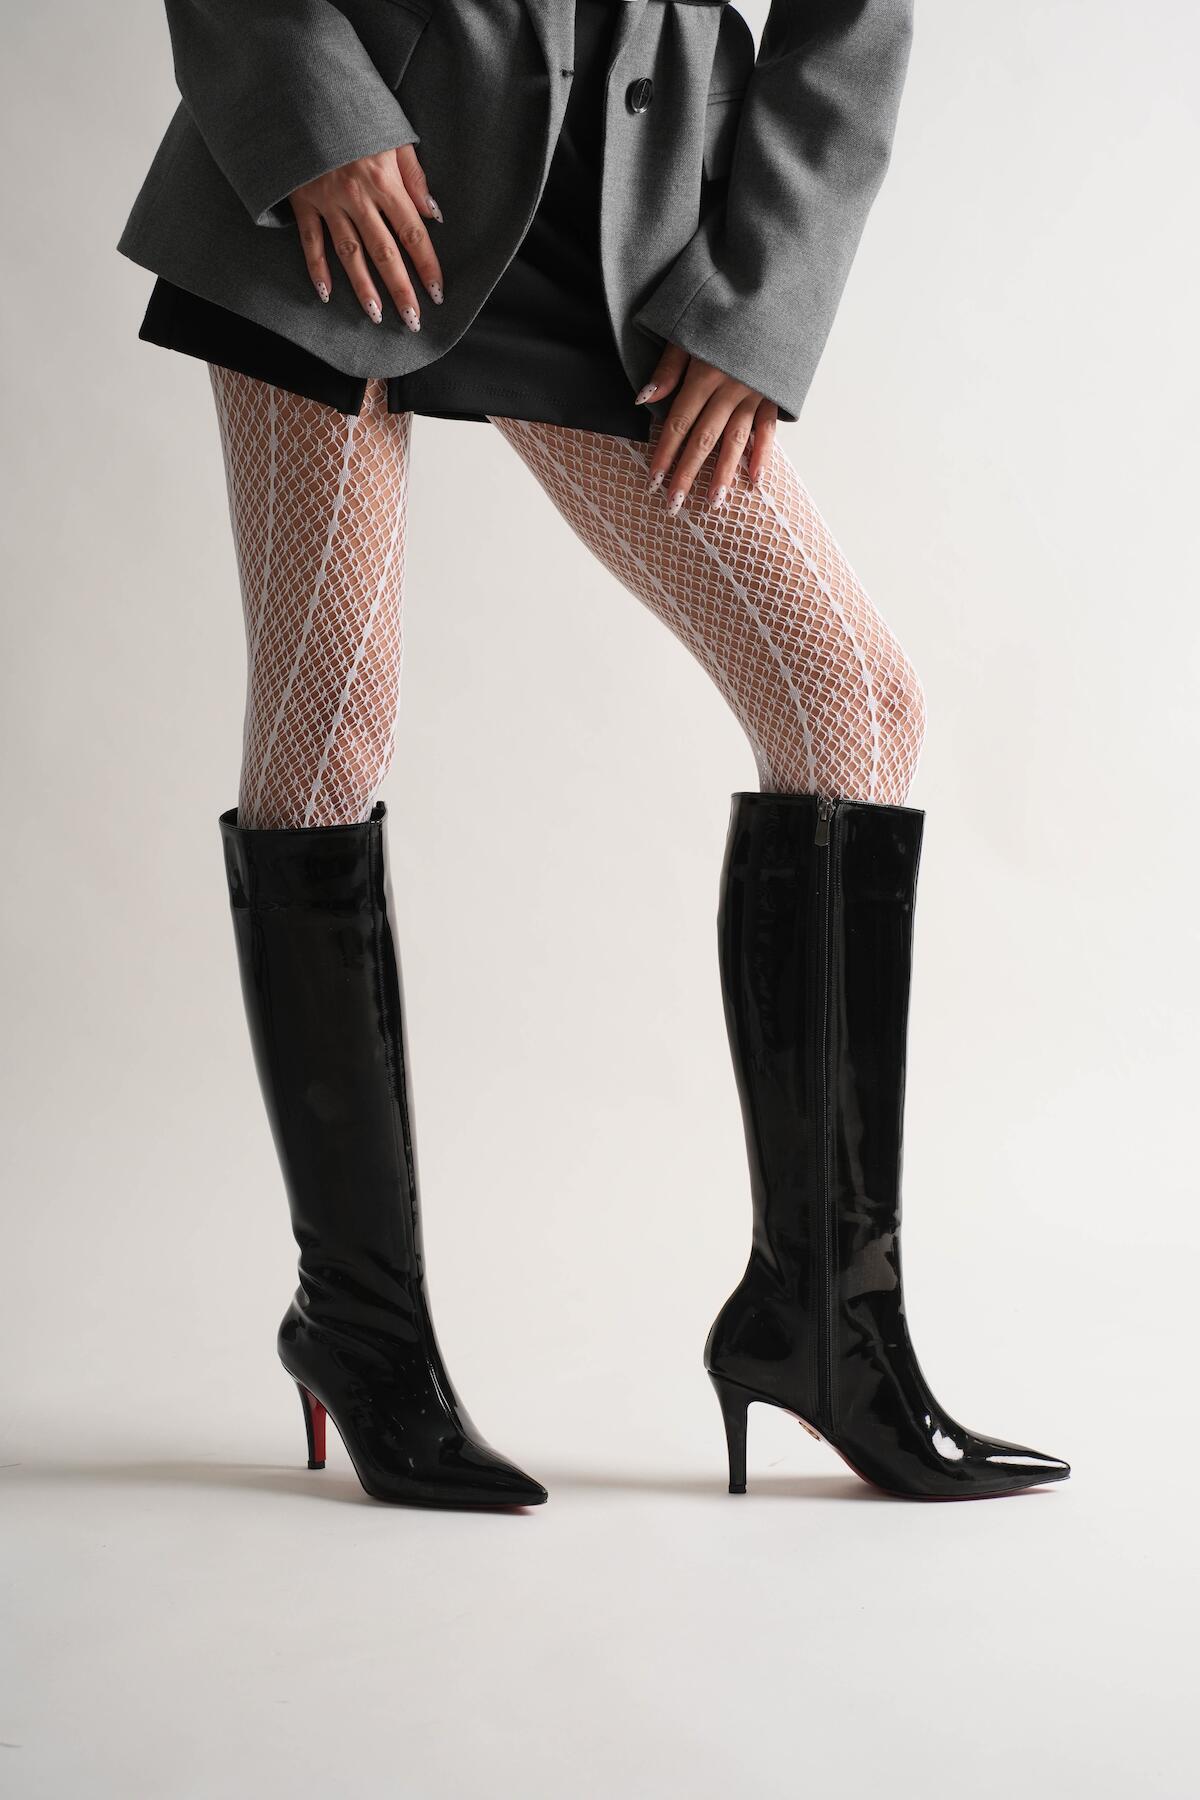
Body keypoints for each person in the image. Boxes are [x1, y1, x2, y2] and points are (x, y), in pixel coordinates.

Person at [116, 0, 1069, 1506]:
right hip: (362, 163)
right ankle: (361, 1328)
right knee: (333, 707)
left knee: (851, 702)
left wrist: (761, 294)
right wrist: (310, 111)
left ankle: (824, 1324)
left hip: (628, 208)